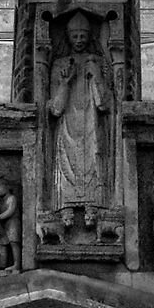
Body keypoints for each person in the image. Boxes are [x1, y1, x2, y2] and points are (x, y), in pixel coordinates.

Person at [47, 13, 112, 215]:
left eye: (82, 36)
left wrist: (96, 75)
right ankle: (65, 209)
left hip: (92, 123)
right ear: (67, 36)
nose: (78, 41)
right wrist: (65, 83)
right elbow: (55, 108)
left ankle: (95, 208)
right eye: (74, 36)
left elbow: (103, 104)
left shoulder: (99, 62)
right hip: (67, 126)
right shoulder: (59, 64)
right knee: (67, 164)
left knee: (95, 156)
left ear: (90, 36)